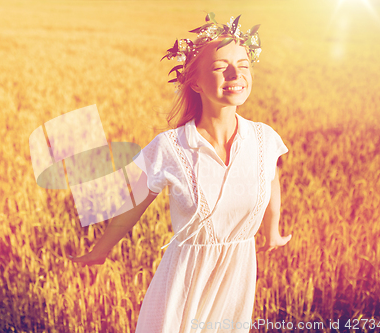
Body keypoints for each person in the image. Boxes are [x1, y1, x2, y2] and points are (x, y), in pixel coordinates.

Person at [69, 13, 292, 332]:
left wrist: (272, 229)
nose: (236, 74)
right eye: (220, 67)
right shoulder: (170, 147)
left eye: (243, 64)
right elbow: (134, 204)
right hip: (183, 282)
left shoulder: (264, 139)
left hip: (236, 278)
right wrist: (100, 251)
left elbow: (270, 177)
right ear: (196, 83)